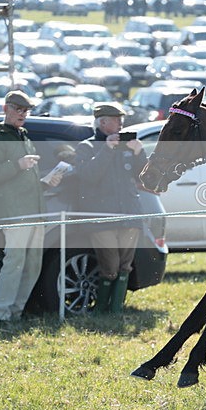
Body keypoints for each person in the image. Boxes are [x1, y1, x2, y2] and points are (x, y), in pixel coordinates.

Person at [0, 91, 62, 321]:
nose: (22, 114)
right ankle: (0, 315)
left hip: (35, 212)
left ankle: (15, 313)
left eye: (26, 110)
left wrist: (45, 182)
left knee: (32, 265)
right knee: (14, 263)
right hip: (14, 213)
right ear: (5, 109)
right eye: (18, 109)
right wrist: (16, 164)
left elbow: (25, 180)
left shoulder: (24, 136)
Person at [74, 103, 146, 313]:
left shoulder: (127, 147)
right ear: (103, 121)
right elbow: (89, 176)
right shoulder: (87, 147)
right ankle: (101, 308)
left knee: (125, 266)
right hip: (101, 217)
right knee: (110, 266)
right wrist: (106, 149)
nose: (120, 123)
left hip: (129, 214)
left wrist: (139, 153)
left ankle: (116, 309)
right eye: (116, 119)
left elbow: (143, 175)